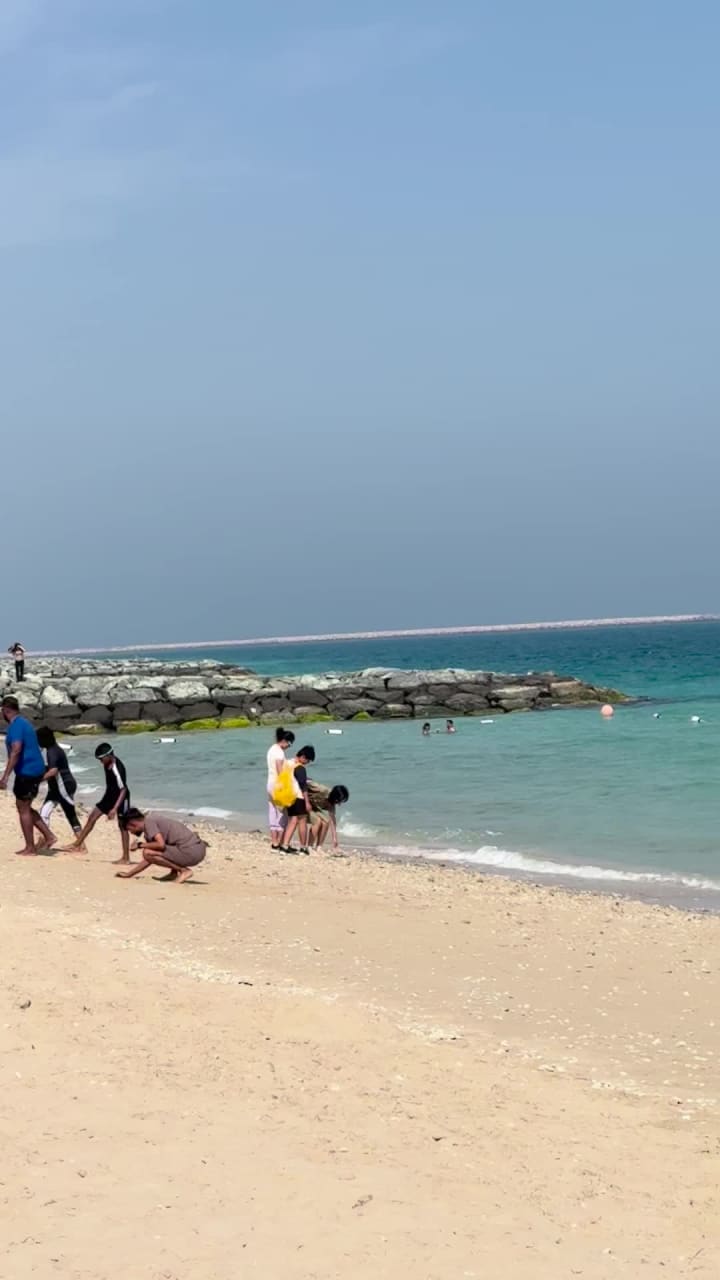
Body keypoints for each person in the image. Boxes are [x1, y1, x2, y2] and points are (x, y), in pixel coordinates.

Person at [0, 696, 56, 855]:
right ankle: (49, 836)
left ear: (5, 710)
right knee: (23, 806)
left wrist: (5, 777)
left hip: (28, 771)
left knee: (23, 808)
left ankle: (30, 847)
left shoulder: (17, 726)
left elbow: (16, 750)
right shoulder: (23, 723)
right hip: (32, 769)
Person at [62, 742, 131, 862]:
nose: (100, 762)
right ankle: (77, 844)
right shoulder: (107, 763)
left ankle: (126, 857)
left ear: (108, 756)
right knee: (92, 817)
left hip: (121, 798)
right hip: (109, 796)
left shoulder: (117, 769)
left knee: (123, 826)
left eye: (101, 759)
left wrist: (114, 809)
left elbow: (123, 789)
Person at [117, 809, 208, 883]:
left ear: (133, 823)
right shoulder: (150, 825)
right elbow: (150, 859)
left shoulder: (149, 822)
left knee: (147, 852)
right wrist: (130, 874)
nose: (131, 833)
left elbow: (160, 845)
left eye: (130, 830)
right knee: (150, 852)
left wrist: (140, 845)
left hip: (191, 851)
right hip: (197, 849)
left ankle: (184, 871)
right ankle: (174, 873)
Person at [37, 727, 84, 844]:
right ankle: (81, 845)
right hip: (63, 785)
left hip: (62, 787)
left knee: (45, 812)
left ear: (44, 739)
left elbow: (53, 771)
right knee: (70, 815)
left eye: (38, 740)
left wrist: (38, 780)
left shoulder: (52, 751)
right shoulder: (55, 748)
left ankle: (45, 842)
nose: (38, 742)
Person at [280, 745, 316, 854]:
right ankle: (303, 847)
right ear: (303, 757)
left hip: (288, 796)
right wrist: (307, 802)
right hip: (298, 797)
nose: (307, 762)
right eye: (308, 760)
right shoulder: (300, 767)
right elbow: (303, 786)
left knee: (292, 821)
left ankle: (284, 845)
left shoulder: (288, 763)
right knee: (302, 821)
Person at [266, 727, 295, 850]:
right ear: (284, 740)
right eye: (290, 743)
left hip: (270, 784)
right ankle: (281, 841)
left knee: (273, 811)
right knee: (283, 813)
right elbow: (279, 766)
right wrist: (283, 784)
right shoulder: (279, 752)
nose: (289, 745)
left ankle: (274, 841)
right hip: (278, 785)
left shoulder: (272, 749)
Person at [306, 782, 349, 852]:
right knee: (317, 821)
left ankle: (318, 846)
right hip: (304, 803)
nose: (339, 804)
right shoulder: (321, 789)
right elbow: (305, 782)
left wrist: (335, 839)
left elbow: (332, 820)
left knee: (326, 822)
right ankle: (309, 846)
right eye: (339, 801)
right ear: (335, 797)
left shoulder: (331, 804)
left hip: (313, 807)